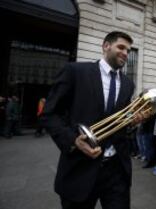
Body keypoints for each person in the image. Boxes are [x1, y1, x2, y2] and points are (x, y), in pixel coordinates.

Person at [42, 31, 138, 209]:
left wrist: (131, 122)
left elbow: (118, 123)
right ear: (106, 46)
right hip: (80, 169)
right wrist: (73, 140)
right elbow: (50, 114)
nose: (126, 53)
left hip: (117, 172)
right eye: (121, 47)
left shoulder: (128, 84)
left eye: (129, 50)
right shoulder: (75, 71)